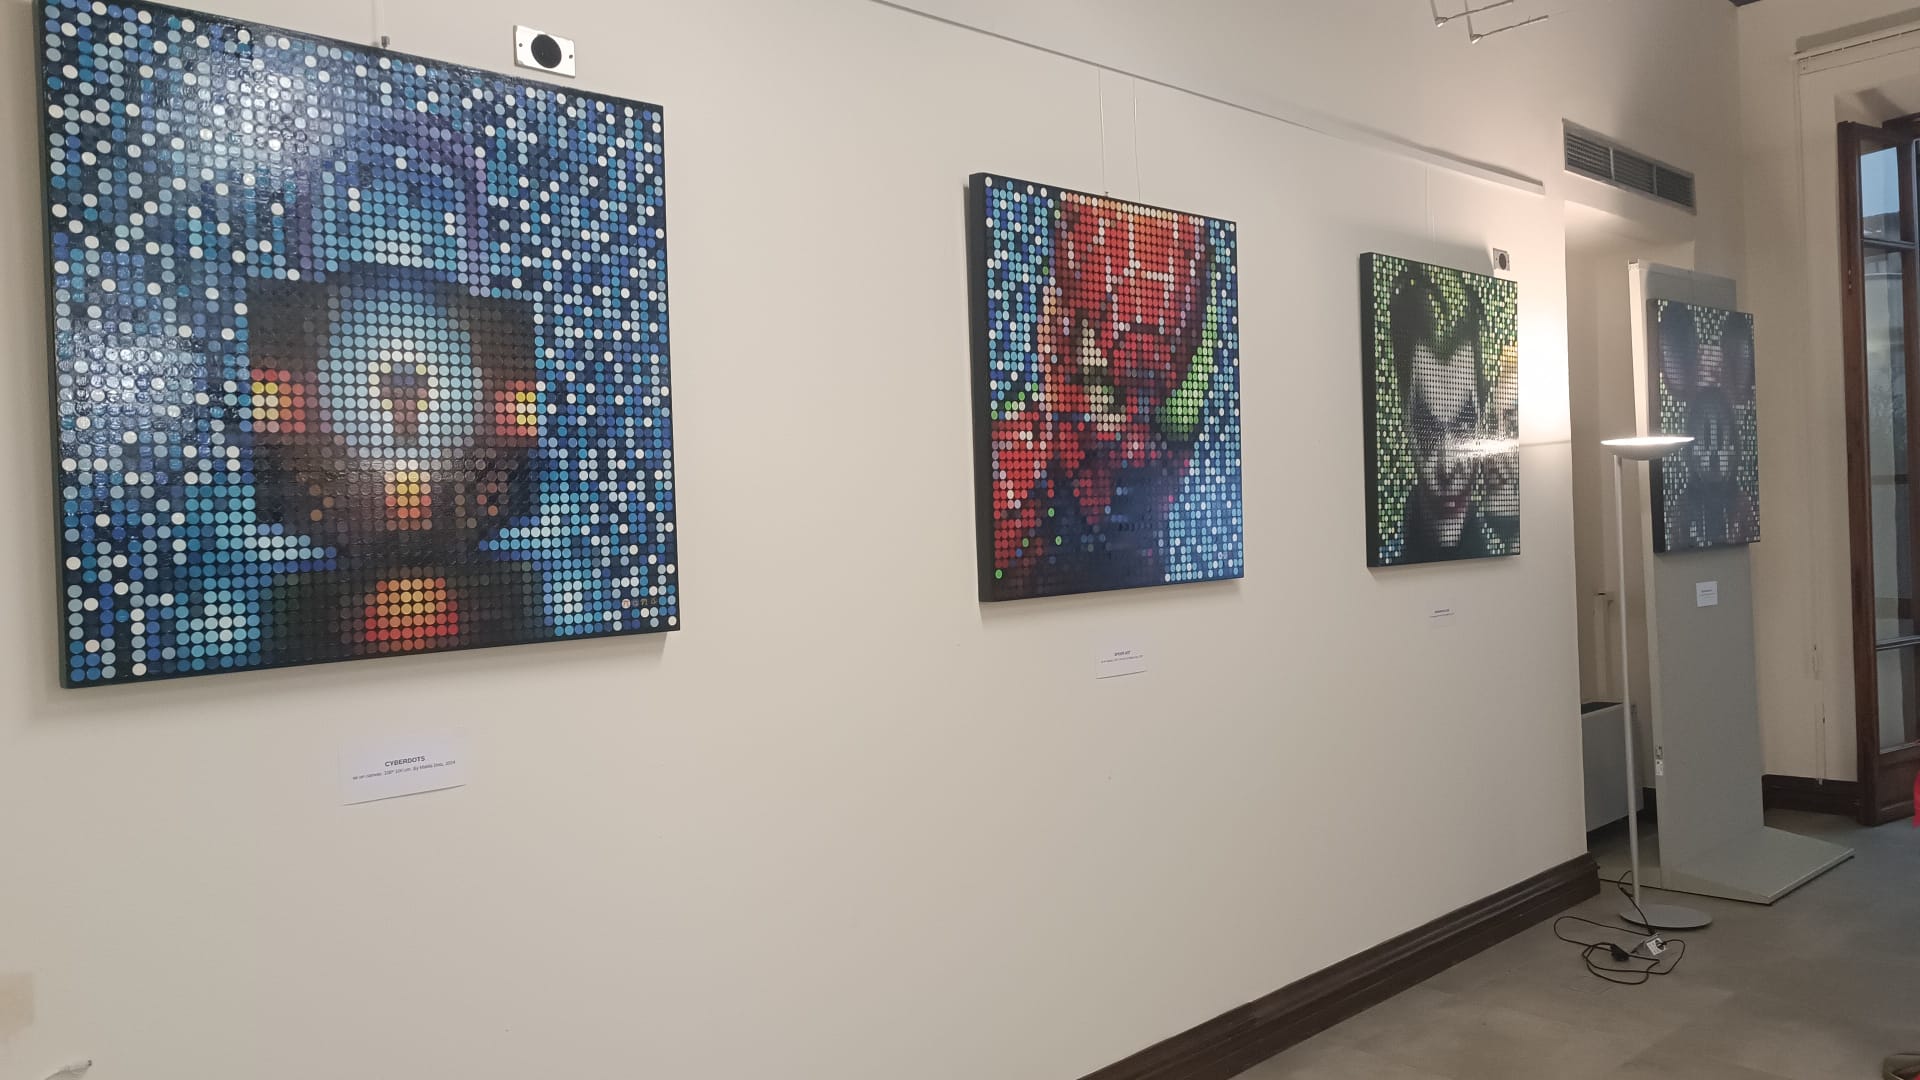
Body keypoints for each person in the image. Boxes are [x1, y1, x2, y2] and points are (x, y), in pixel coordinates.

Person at [1383, 264, 1518, 564]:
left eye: (1464, 426)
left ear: (1483, 419)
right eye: (1428, 430)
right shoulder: (1386, 555)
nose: (1447, 466)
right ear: (1404, 424)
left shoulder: (1506, 544)